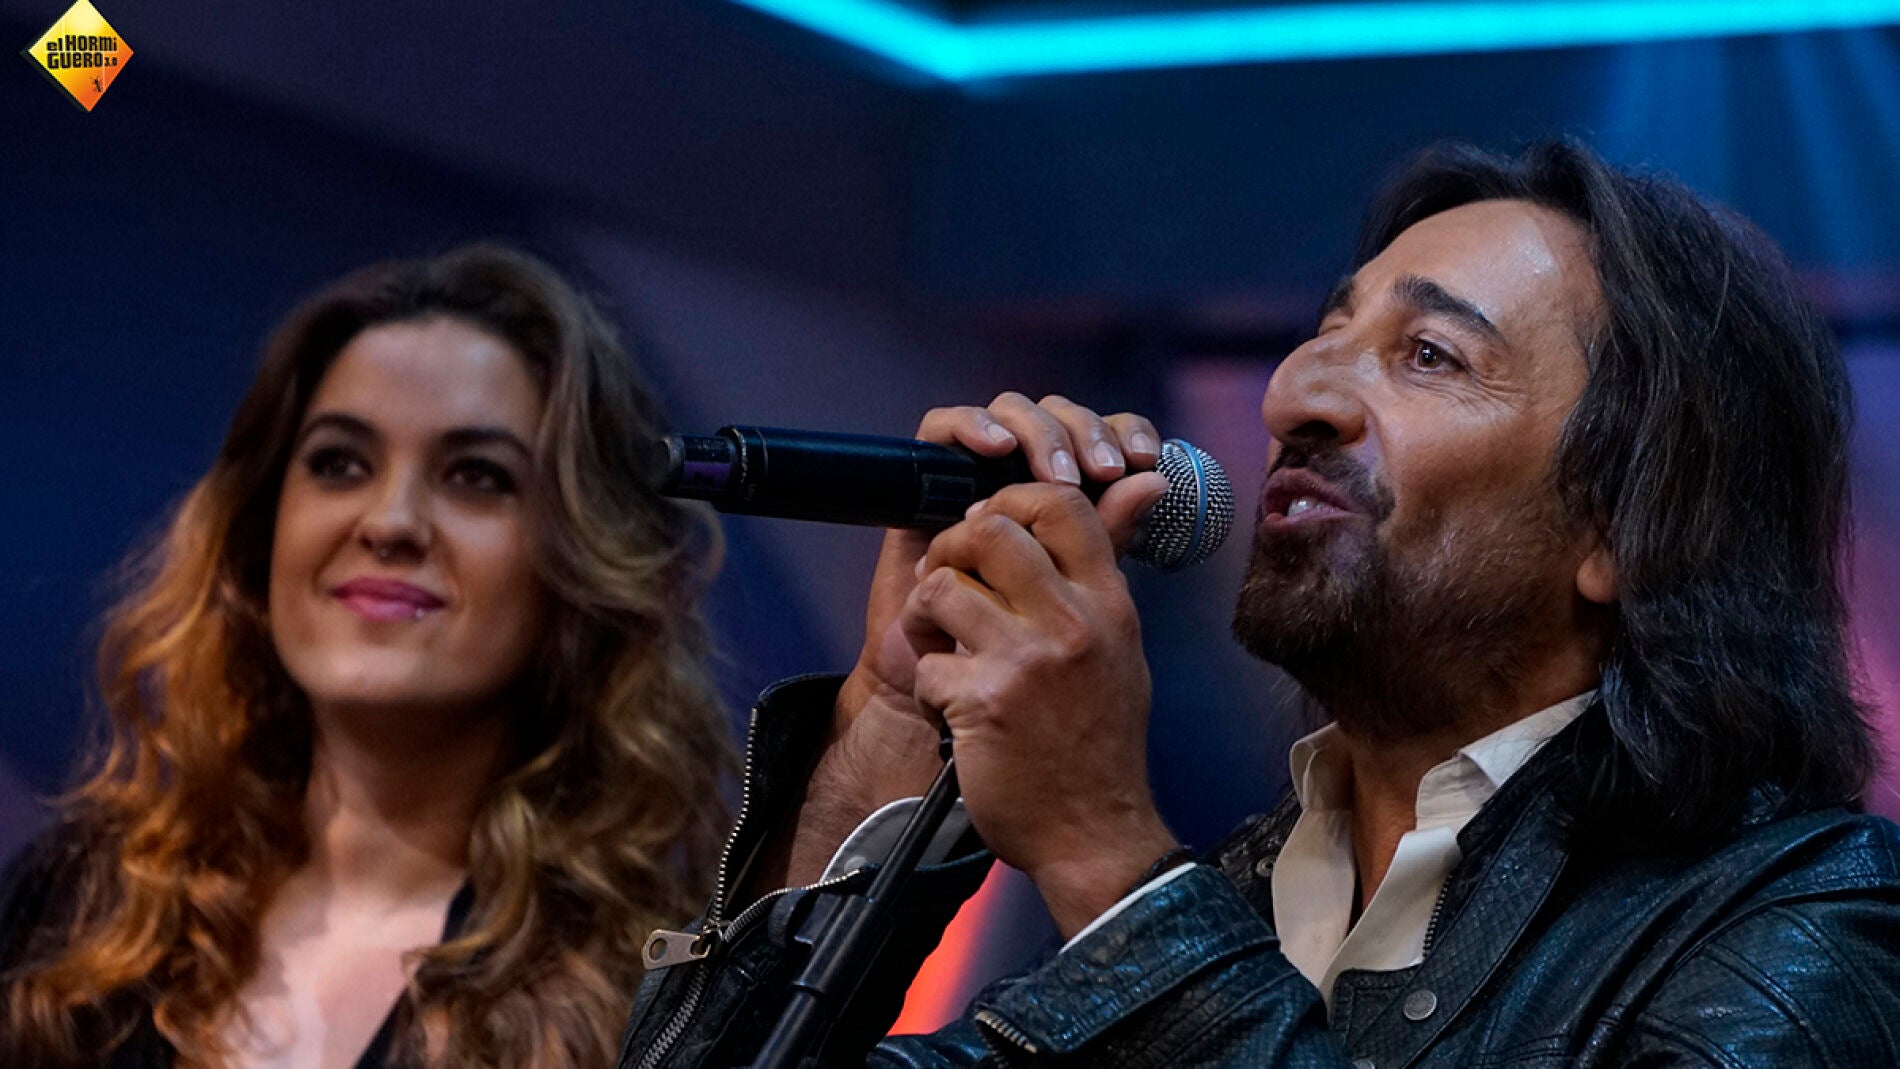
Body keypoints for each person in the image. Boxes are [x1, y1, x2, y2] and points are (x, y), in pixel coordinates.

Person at [620, 140, 1900, 1067]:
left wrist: (1104, 857)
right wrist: (898, 717)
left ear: (1627, 525)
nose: (1297, 394)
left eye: (1429, 355)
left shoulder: (1809, 920)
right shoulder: (1235, 902)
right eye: (1327, 332)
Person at [0, 245, 734, 1068]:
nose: (389, 521)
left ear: (583, 562)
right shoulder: (80, 914)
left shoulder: (647, 1004)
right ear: (262, 533)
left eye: (477, 475)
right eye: (339, 463)